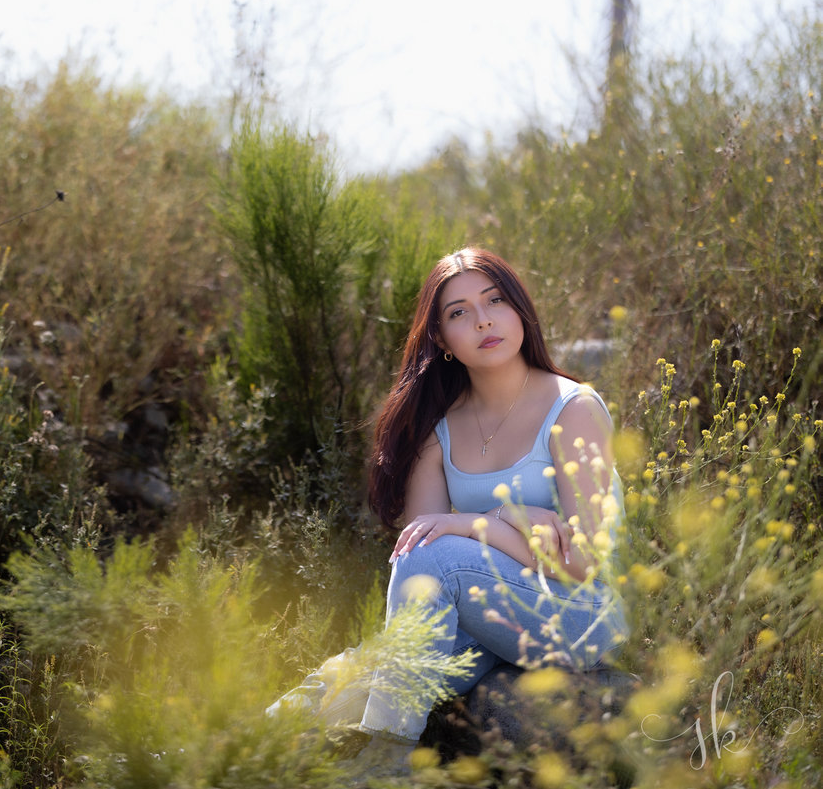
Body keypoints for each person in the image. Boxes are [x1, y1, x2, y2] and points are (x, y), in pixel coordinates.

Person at [268, 247, 628, 779]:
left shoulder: (573, 409)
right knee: (364, 668)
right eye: (458, 312)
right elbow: (417, 558)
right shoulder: (438, 428)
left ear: (519, 310)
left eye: (495, 300)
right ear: (441, 340)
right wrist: (514, 519)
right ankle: (240, 750)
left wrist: (479, 523)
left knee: (435, 566)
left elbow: (580, 563)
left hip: (579, 614)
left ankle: (390, 760)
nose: (483, 319)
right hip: (491, 613)